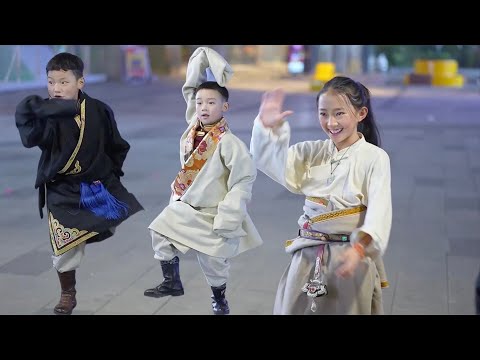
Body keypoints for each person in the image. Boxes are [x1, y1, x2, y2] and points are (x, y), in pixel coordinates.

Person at [250, 76, 392, 315]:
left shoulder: (375, 158)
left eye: (339, 113)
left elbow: (380, 210)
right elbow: (273, 164)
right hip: (306, 256)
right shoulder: (311, 151)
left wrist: (358, 251)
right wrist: (266, 128)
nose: (331, 122)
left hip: (350, 258)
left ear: (361, 113)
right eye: (323, 114)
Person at [15, 52, 143, 315]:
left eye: (63, 82)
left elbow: (116, 145)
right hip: (61, 188)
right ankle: (67, 294)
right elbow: (31, 139)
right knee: (63, 246)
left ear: (80, 82)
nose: (56, 89)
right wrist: (34, 111)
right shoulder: (48, 113)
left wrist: (110, 176)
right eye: (51, 82)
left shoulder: (99, 110)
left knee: (110, 218)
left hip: (92, 185)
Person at [145, 47, 263, 315]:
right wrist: (204, 57)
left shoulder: (230, 142)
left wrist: (229, 215)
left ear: (225, 107)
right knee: (159, 230)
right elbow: (190, 87)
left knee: (213, 263)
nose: (203, 107)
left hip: (213, 214)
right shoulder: (192, 129)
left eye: (211, 102)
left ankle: (219, 299)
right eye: (199, 103)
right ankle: (171, 281)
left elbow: (244, 179)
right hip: (186, 206)